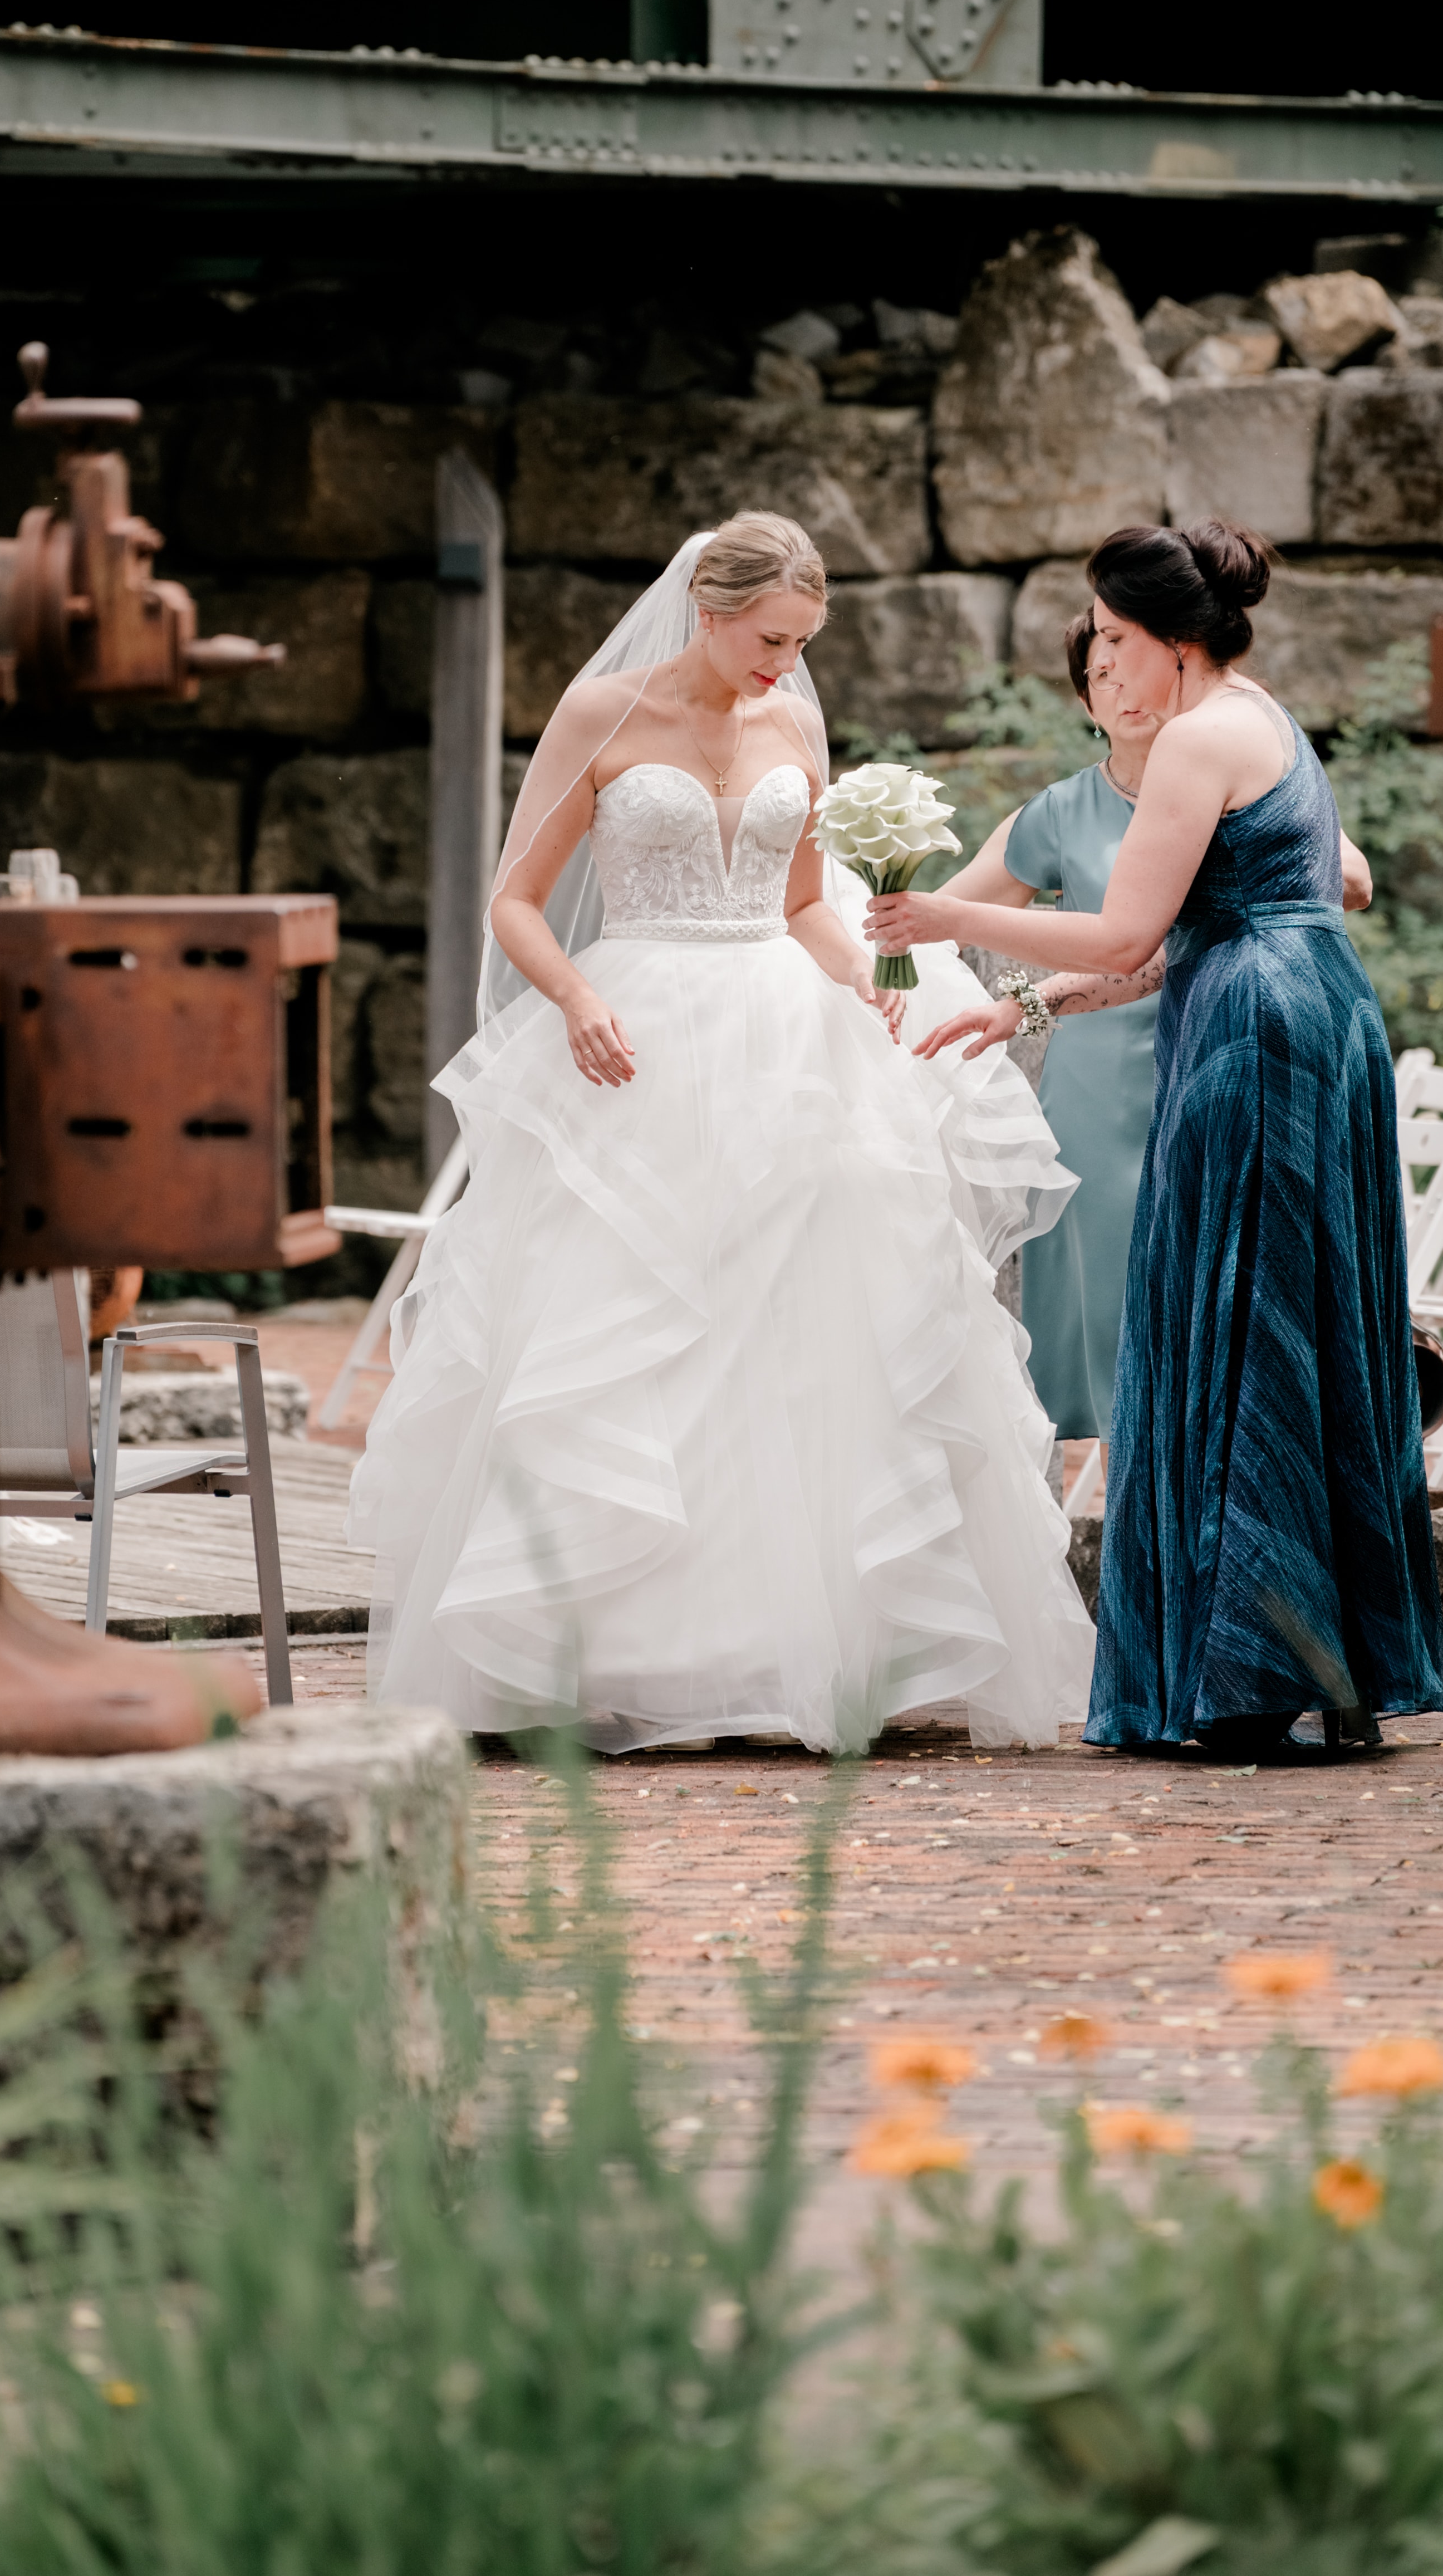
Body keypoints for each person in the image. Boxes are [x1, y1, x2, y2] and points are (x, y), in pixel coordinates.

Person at [345, 513, 1094, 1755]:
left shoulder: (790, 722)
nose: (783, 666)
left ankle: (791, 1649)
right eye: (768, 640)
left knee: (804, 1329)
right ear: (708, 609)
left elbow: (801, 904)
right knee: (624, 1330)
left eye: (800, 644)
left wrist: (866, 982)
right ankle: (613, 1653)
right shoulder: (601, 712)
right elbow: (514, 902)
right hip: (637, 1034)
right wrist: (575, 998)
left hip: (787, 1041)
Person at [870, 520, 1443, 1758]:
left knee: (1241, 1334)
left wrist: (950, 917)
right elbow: (1178, 940)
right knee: (1288, 1333)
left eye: (1116, 638)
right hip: (1300, 1011)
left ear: (1175, 641)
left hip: (1254, 1033)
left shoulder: (1194, 739)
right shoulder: (1259, 714)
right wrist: (1022, 1007)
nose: (1102, 661)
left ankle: (1246, 1681)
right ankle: (1319, 1671)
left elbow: (1127, 934)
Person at [917, 608, 1170, 1448]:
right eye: (1101, 677)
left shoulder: (1225, 785)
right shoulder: (1061, 811)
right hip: (1097, 1076)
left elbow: (1342, 874)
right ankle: (1127, 1476)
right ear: (1086, 703)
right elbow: (950, 912)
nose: (1123, 690)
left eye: (1135, 667)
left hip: (1208, 1044)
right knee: (1111, 1287)